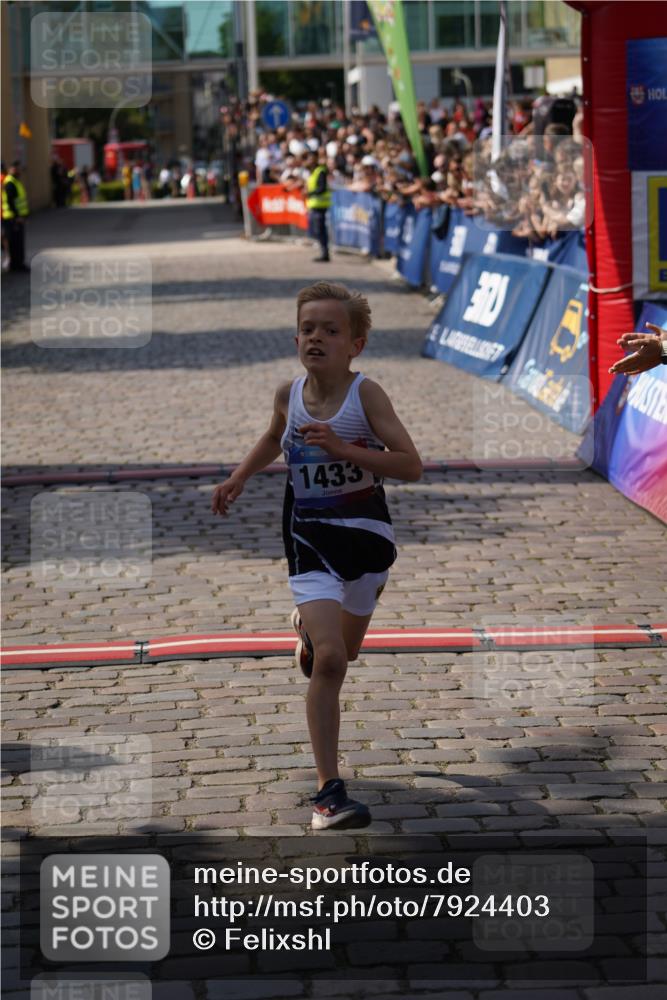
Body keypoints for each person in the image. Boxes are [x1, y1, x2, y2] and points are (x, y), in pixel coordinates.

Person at [211, 282, 422, 829]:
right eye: (308, 329)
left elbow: (410, 465)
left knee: (344, 653)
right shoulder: (289, 393)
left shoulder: (366, 395)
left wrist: (344, 449)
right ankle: (329, 793)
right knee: (329, 662)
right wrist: (237, 477)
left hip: (367, 541)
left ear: (356, 344)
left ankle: (310, 631)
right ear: (295, 337)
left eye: (330, 330)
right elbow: (273, 436)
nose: (316, 338)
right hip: (309, 540)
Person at [1, 160, 29, 272]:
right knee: (14, 243)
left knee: (16, 242)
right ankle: (15, 265)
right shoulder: (10, 182)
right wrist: (17, 216)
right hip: (12, 218)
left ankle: (17, 264)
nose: (18, 171)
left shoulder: (14, 181)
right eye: (15, 168)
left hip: (14, 217)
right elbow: (10, 201)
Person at [304, 150, 332, 262]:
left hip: (320, 205)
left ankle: (325, 253)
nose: (309, 161)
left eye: (311, 158)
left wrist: (310, 194)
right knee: (317, 230)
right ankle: (323, 251)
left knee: (320, 230)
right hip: (314, 205)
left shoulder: (320, 171)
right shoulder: (312, 172)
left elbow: (321, 188)